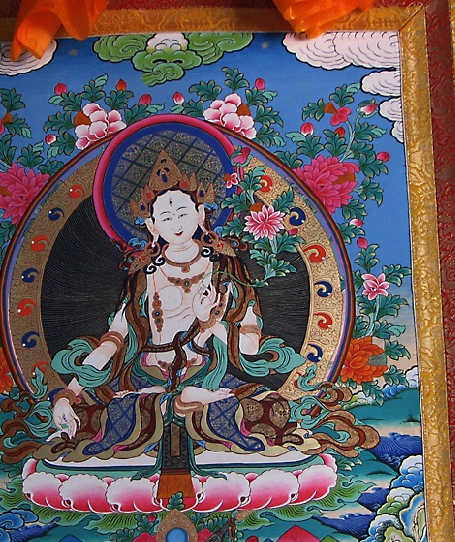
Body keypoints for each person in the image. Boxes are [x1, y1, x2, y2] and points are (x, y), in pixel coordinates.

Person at [48, 150, 307, 500]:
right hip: (147, 376)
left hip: (207, 373)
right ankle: (178, 402)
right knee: (97, 416)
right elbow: (115, 339)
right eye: (166, 216)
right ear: (152, 226)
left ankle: (183, 400)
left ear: (201, 214)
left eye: (183, 212)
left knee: (268, 410)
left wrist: (209, 322)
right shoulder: (142, 278)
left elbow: (249, 344)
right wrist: (70, 392)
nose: (176, 223)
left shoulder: (227, 271)